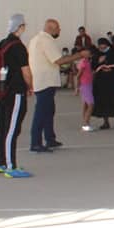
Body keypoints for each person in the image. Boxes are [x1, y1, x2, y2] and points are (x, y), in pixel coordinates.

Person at [27, 19, 90, 153]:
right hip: (46, 81)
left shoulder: (35, 39)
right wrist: (80, 55)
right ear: (50, 29)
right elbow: (58, 60)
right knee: (42, 112)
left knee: (48, 111)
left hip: (41, 80)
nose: (59, 31)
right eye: (58, 28)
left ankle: (50, 138)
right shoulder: (46, 40)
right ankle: (36, 143)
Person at [0, 14, 33, 178]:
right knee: (12, 129)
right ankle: (11, 167)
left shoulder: (2, 43)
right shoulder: (18, 47)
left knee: (3, 127)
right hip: (15, 91)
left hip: (2, 90)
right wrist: (30, 86)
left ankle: (2, 163)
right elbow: (26, 71)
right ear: (20, 27)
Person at [92, 38, 114, 130]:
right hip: (101, 81)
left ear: (107, 44)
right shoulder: (97, 54)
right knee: (103, 101)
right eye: (99, 45)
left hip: (112, 81)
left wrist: (111, 69)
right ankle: (105, 122)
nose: (101, 47)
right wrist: (99, 62)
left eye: (102, 45)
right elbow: (93, 66)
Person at [77, 50, 96, 132]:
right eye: (88, 53)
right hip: (85, 85)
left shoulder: (88, 62)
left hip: (88, 84)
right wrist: (77, 87)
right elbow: (78, 75)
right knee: (91, 104)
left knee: (85, 104)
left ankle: (86, 123)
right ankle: (85, 124)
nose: (89, 54)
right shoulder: (84, 62)